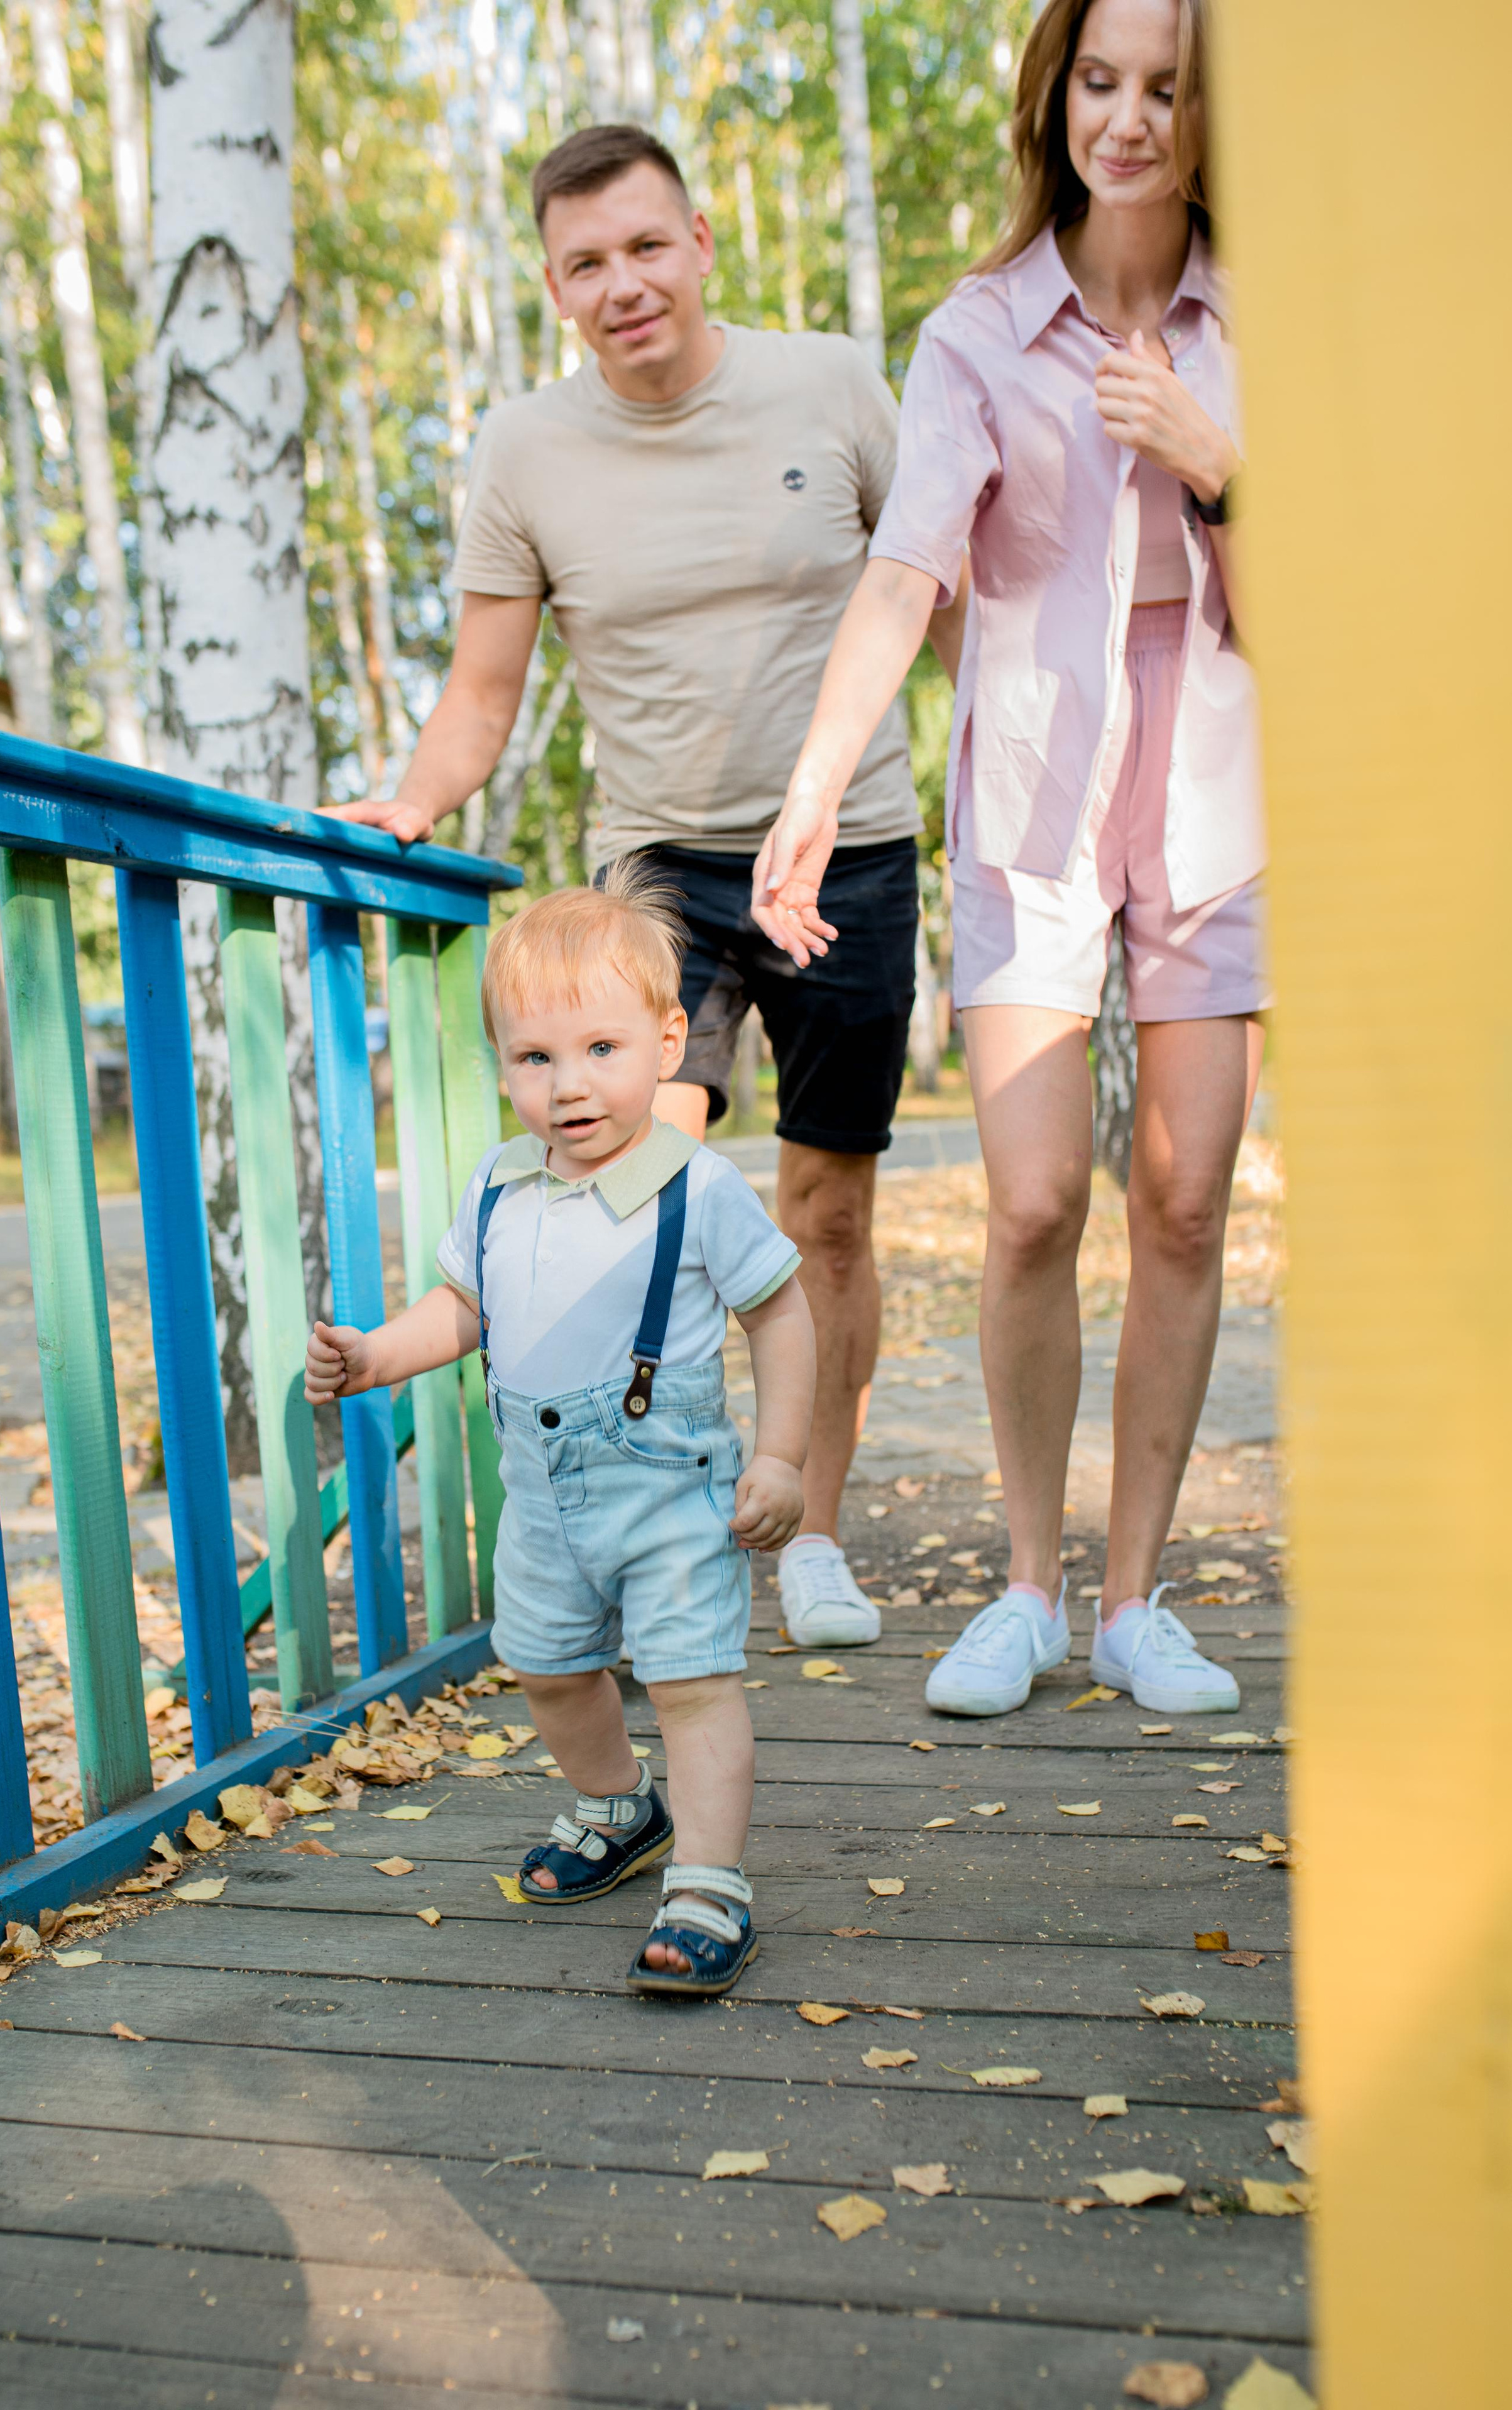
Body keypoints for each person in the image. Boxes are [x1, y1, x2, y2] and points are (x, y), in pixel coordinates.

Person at [325, 121, 966, 1651]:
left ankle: (808, 1525)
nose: (624, 284)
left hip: (851, 848)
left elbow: (934, 609)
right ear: (554, 286)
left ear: (699, 245)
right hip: (663, 866)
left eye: (645, 246)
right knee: (632, 1176)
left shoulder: (829, 385)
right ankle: (644, 1506)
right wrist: (410, 804)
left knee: (824, 1217)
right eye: (585, 264)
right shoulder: (523, 451)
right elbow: (483, 691)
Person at [751, 0, 1261, 1720]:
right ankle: (1031, 1589)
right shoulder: (979, 330)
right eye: (1102, 82)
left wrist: (1219, 469)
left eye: (1169, 88)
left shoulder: (1260, 322)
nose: (1129, 119)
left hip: (1217, 791)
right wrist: (819, 782)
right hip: (1036, 791)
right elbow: (906, 575)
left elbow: (1318, 603)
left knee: (1185, 1199)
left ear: (1212, 114)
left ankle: (1135, 1600)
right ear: (1058, 96)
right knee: (1037, 1197)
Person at [304, 869, 816, 1996]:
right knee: (544, 1661)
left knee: (691, 1677)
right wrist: (379, 1355)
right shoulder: (499, 1187)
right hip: (539, 1489)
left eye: (600, 1049)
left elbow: (780, 1312)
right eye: (536, 1058)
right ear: (504, 1068)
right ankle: (617, 1804)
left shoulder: (698, 1184)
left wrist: (781, 1456)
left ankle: (710, 1879)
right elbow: (464, 1309)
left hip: (668, 1485)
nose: (569, 1085)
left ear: (669, 1040)